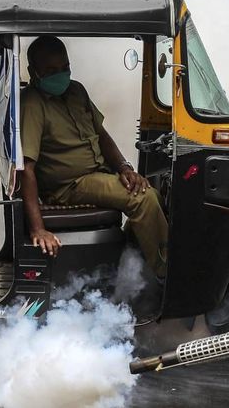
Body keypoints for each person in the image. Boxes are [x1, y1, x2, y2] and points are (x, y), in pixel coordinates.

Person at [18, 36, 167, 279]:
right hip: (69, 186)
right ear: (33, 72)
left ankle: (132, 264)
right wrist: (38, 229)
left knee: (154, 195)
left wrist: (125, 167)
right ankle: (166, 276)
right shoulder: (32, 104)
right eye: (51, 70)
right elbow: (26, 168)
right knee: (144, 198)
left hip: (97, 175)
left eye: (65, 68)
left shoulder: (76, 90)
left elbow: (102, 135)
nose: (61, 75)